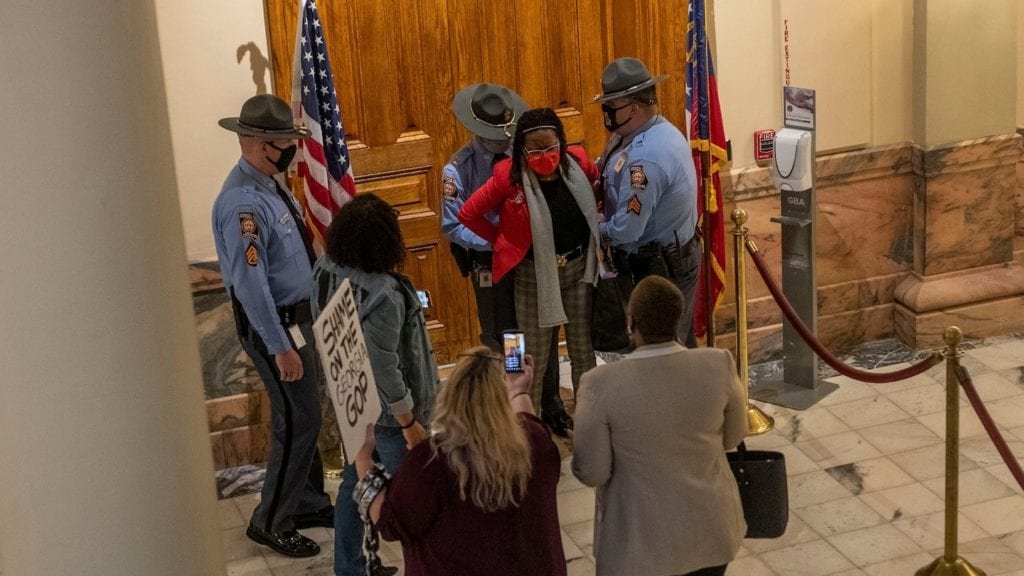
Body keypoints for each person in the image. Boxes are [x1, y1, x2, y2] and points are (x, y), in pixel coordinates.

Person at [213, 94, 333, 558]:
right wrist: (279, 346)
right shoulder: (242, 203)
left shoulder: (270, 183)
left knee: (307, 415)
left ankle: (306, 501)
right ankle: (270, 520)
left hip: (297, 321)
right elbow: (251, 285)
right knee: (297, 419)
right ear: (259, 144)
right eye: (285, 143)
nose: (292, 151)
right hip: (275, 327)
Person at [572, 276, 747, 576]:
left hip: (639, 544)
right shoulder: (719, 364)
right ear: (678, 318)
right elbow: (733, 437)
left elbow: (592, 471)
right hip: (710, 532)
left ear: (631, 322)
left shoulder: (599, 384)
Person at [310, 193, 440, 576]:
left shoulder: (326, 268)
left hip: (353, 402)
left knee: (355, 482)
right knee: (413, 500)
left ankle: (350, 568)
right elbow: (385, 365)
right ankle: (428, 567)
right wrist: (408, 421)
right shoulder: (384, 293)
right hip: (389, 416)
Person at [352, 348, 566, 576]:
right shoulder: (535, 440)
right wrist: (518, 391)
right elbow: (528, 421)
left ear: (449, 397)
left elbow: (389, 521)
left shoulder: (432, 460)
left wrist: (363, 458)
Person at [458, 107, 601, 433]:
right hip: (529, 277)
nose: (544, 156)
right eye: (535, 150)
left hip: (578, 270)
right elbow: (467, 213)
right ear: (521, 148)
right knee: (526, 357)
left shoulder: (576, 161)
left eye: (551, 148)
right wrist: (505, 241)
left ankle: (589, 425)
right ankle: (529, 434)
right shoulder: (505, 174)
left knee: (582, 351)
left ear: (562, 143)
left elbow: (597, 184)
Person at [443, 84, 571, 436]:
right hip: (492, 268)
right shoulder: (459, 170)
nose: (503, 141)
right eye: (493, 136)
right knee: (510, 338)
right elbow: (452, 224)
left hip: (530, 263)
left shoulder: (524, 154)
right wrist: (498, 241)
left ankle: (551, 404)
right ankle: (515, 408)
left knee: (545, 330)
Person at [593, 56, 703, 348]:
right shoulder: (642, 132)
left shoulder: (646, 157)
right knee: (676, 343)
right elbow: (607, 169)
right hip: (666, 255)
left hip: (660, 264)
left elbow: (628, 229)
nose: (606, 114)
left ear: (633, 107)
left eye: (610, 107)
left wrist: (593, 229)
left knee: (662, 349)